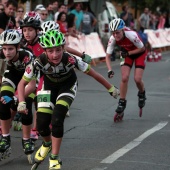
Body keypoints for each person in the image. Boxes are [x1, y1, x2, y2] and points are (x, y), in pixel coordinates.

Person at [17, 30, 120, 170]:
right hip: (49, 86)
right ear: (45, 51)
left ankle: (54, 157)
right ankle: (47, 144)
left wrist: (110, 88)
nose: (55, 55)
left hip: (67, 85)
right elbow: (22, 84)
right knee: (41, 124)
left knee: (57, 119)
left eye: (58, 50)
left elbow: (94, 74)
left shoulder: (71, 59)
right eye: (51, 51)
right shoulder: (38, 62)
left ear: (63, 48)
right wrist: (22, 101)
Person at [0, 29, 35, 163]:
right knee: (3, 101)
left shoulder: (27, 56)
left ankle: (26, 140)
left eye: (10, 49)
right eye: (4, 49)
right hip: (12, 74)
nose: (7, 52)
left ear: (18, 47)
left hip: (28, 79)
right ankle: (5, 137)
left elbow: (31, 85)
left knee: (25, 106)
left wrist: (16, 99)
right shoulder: (2, 52)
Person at [105, 18, 147, 122]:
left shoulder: (131, 35)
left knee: (137, 79)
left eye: (117, 33)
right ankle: (122, 102)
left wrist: (129, 53)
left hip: (139, 53)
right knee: (124, 77)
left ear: (123, 30)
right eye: (113, 33)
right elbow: (107, 56)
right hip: (126, 53)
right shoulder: (113, 38)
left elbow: (142, 48)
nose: (116, 35)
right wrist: (109, 70)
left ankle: (142, 93)